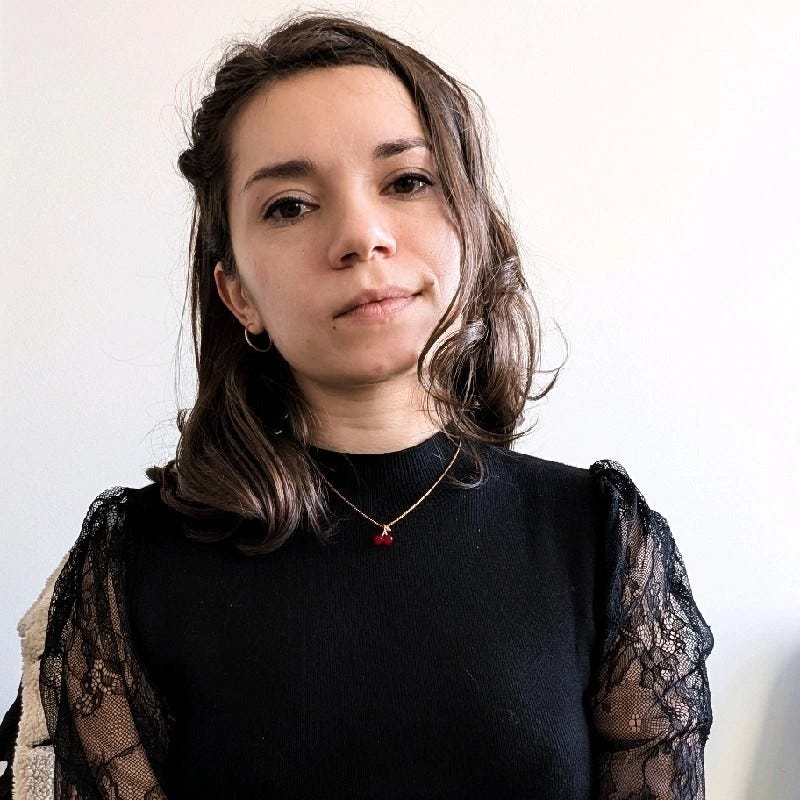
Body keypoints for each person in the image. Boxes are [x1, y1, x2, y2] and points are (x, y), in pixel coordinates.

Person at [0, 12, 714, 799]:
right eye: (289, 205)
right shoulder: (125, 573)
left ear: (471, 227)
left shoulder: (602, 543)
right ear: (237, 295)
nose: (361, 236)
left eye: (406, 182)